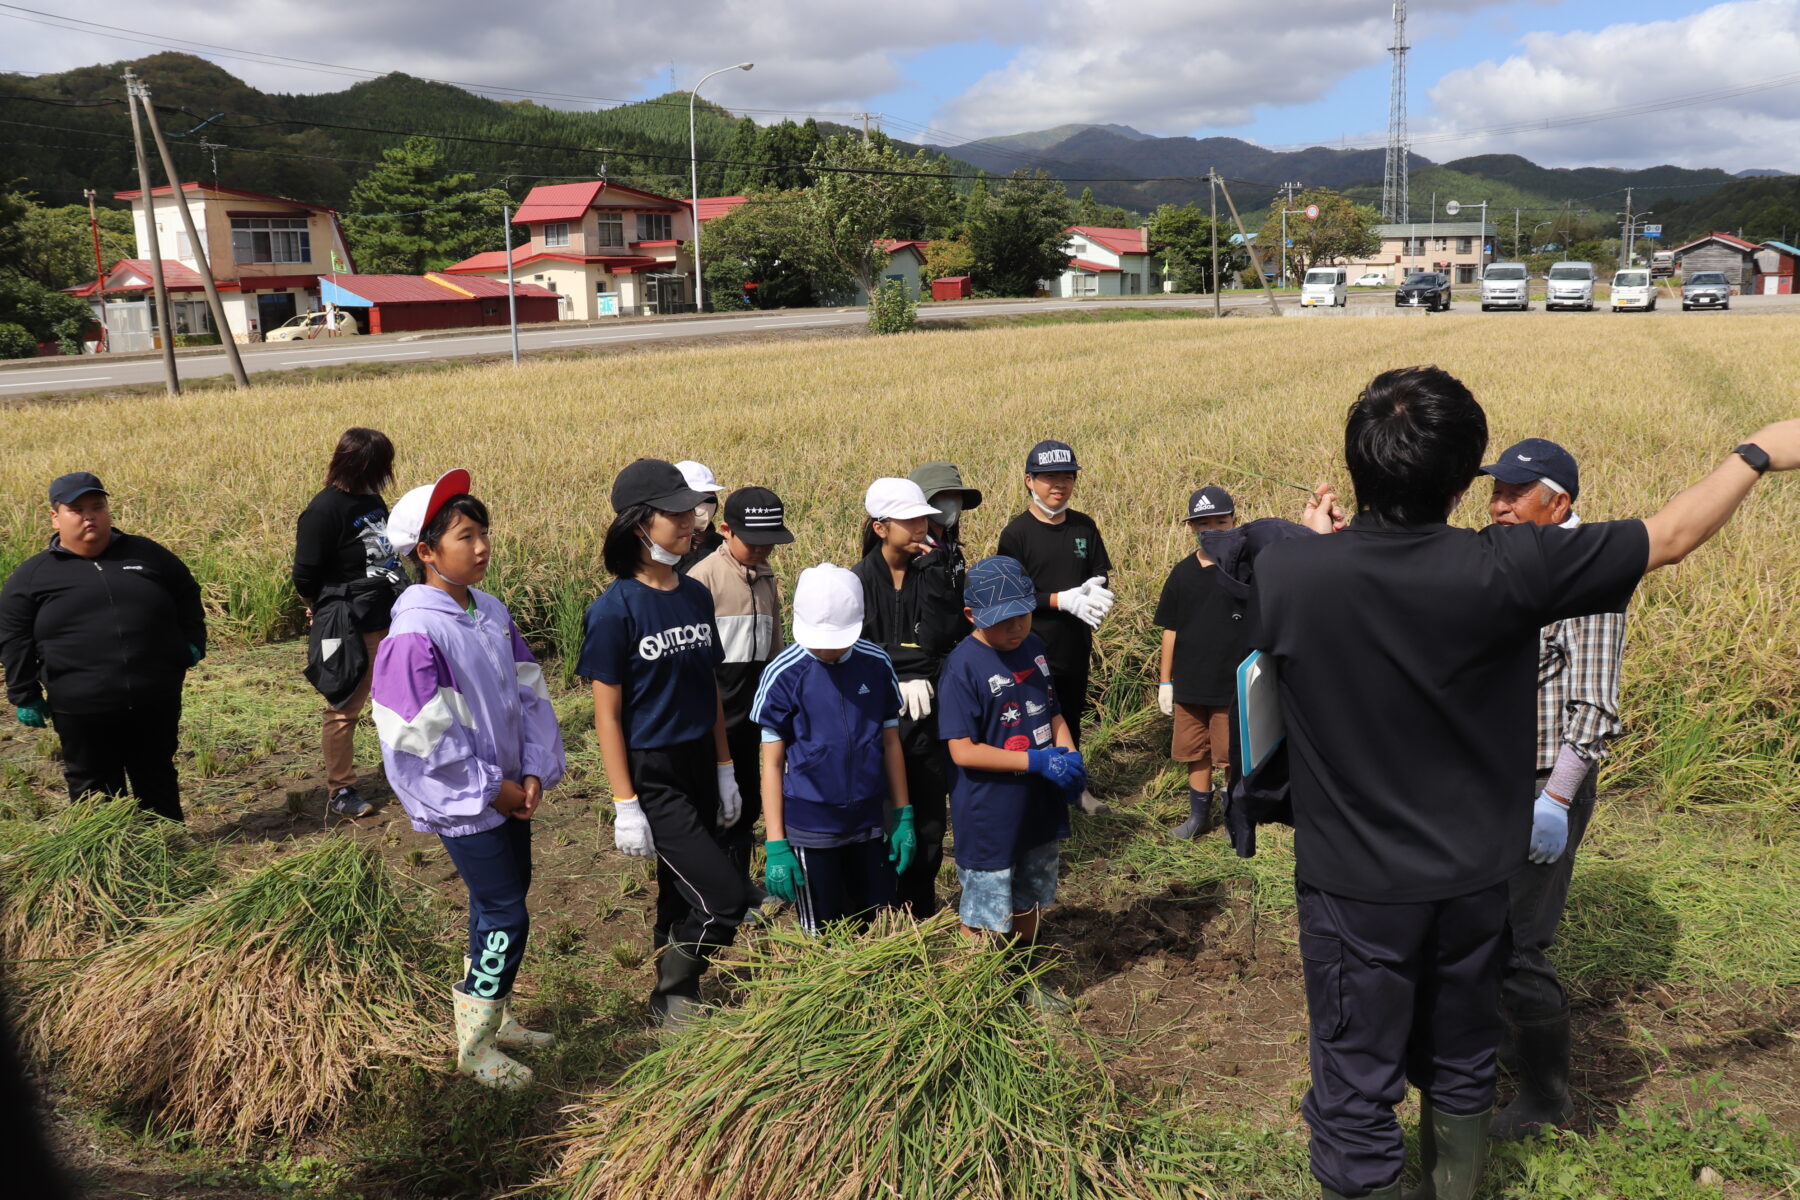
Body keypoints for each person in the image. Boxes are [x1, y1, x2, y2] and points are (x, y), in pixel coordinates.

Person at [1249, 365, 1800, 1200]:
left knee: (1355, 1069)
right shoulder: (1512, 567)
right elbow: (1673, 535)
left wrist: (1324, 540)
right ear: (1463, 476)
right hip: (1476, 875)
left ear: (1358, 467)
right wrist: (1755, 453)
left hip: (1353, 885)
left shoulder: (1291, 573)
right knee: (1464, 1051)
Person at [370, 469, 566, 1090]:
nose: (482, 547)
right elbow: (421, 737)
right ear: (425, 552)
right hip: (468, 802)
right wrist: (494, 789)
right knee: (508, 914)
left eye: (484, 533)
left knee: (498, 904)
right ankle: (475, 1044)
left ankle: (491, 1017)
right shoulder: (414, 633)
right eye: (465, 536)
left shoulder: (489, 612)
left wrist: (533, 769)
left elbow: (529, 692)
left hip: (509, 791)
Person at [1481, 439, 1627, 1141]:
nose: (1498, 507)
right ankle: (1512, 1043)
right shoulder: (1514, 561)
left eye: (1514, 494)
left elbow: (1595, 705)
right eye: (1495, 493)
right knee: (1488, 922)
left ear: (1558, 502)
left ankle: (1547, 1096)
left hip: (1543, 783)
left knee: (1519, 940)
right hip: (1494, 778)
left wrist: (1558, 800)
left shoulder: (1587, 575)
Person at [579, 458, 748, 1027]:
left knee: (681, 890)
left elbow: (711, 694)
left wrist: (725, 769)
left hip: (702, 757)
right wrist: (625, 804)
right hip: (654, 771)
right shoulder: (613, 610)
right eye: (674, 513)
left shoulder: (695, 595)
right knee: (728, 898)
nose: (691, 522)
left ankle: (672, 990)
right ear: (637, 526)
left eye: (691, 510)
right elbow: (607, 717)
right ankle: (672, 989)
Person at [0, 473, 205, 823]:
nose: (89, 516)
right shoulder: (33, 576)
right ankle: (108, 861)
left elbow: (186, 592)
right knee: (94, 786)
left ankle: (167, 850)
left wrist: (190, 643)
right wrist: (24, 693)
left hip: (154, 695)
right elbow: (13, 636)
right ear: (55, 517)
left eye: (98, 507)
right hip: (81, 705)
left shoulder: (147, 554)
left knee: (156, 774)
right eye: (76, 509)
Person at [938, 555, 1087, 1011]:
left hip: (1038, 806)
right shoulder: (963, 667)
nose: (1016, 628)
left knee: (1030, 898)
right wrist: (1035, 761)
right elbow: (962, 750)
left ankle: (1022, 978)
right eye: (1004, 622)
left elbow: (1054, 710)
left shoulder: (1034, 647)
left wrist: (1069, 753)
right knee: (985, 908)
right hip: (991, 812)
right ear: (972, 617)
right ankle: (978, 996)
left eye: (1023, 615)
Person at [751, 563, 914, 932]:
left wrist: (903, 814)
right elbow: (772, 765)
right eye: (818, 639)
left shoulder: (876, 663)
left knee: (876, 925)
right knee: (823, 932)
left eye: (837, 639)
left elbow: (891, 742)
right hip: (812, 828)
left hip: (871, 822)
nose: (826, 648)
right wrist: (776, 844)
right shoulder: (783, 674)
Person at [852, 477, 962, 917]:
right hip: (876, 711)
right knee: (879, 812)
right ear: (881, 528)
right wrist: (900, 673)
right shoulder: (858, 581)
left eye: (923, 519)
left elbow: (943, 637)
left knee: (930, 812)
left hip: (928, 709)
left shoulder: (937, 569)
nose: (921, 526)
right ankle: (880, 904)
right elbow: (856, 647)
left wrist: (937, 577)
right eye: (910, 519)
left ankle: (920, 906)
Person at [685, 485, 794, 913]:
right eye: (754, 540)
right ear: (726, 530)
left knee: (747, 800)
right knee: (714, 807)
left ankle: (740, 887)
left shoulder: (766, 579)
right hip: (714, 715)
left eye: (770, 542)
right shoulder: (702, 580)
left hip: (754, 714)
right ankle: (712, 896)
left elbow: (775, 649)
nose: (763, 549)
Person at [292, 427, 405, 819]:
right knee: (344, 706)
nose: (385, 473)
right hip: (351, 622)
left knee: (399, 699)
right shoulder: (323, 510)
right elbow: (305, 575)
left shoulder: (371, 500)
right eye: (380, 465)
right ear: (362, 465)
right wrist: (320, 607)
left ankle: (407, 770)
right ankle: (341, 790)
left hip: (388, 613)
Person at [996, 440, 1114, 814]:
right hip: (1028, 644)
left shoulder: (1084, 527)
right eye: (1049, 477)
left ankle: (1076, 788)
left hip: (1075, 643)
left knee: (1071, 715)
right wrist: (1058, 600)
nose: (1059, 484)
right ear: (1030, 481)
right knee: (1031, 716)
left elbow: (1099, 576)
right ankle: (1032, 791)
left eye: (1067, 476)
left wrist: (1093, 591)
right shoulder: (1016, 534)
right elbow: (1007, 596)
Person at [1155, 486, 1247, 839]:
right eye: (1203, 524)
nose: (1212, 530)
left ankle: (1232, 818)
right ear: (1192, 528)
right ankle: (1197, 818)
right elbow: (1170, 631)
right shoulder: (1182, 574)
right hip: (1190, 684)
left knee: (1229, 755)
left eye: (1221, 522)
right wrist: (1166, 682)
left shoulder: (1246, 572)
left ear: (1235, 523)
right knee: (1195, 752)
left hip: (1230, 686)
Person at [674, 460, 726, 573]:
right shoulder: (662, 546)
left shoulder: (722, 545)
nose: (705, 505)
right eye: (697, 497)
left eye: (710, 498)